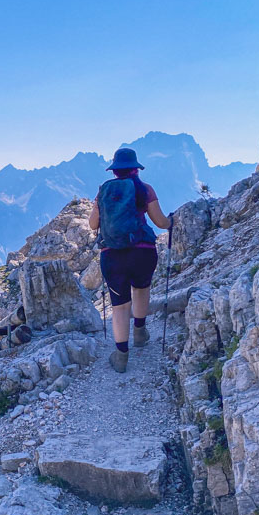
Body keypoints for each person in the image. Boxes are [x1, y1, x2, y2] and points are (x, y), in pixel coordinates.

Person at [88, 147, 173, 372]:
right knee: (141, 289)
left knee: (120, 306)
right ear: (136, 168)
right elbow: (160, 221)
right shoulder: (144, 189)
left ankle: (121, 356)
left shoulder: (103, 192)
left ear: (114, 170)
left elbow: (93, 224)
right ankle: (140, 332)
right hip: (143, 252)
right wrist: (171, 222)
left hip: (112, 256)